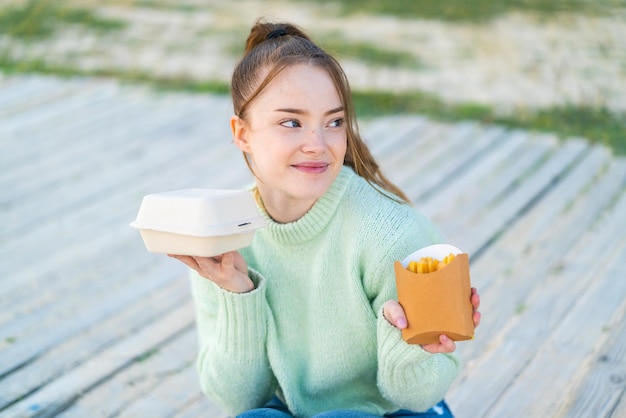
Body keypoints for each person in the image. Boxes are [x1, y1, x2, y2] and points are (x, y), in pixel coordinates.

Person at [169, 19, 481, 418]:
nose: (317, 145)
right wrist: (236, 292)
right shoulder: (224, 233)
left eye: (333, 122)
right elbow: (237, 400)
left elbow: (417, 396)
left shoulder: (391, 233)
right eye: (291, 123)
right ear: (242, 133)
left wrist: (407, 343)